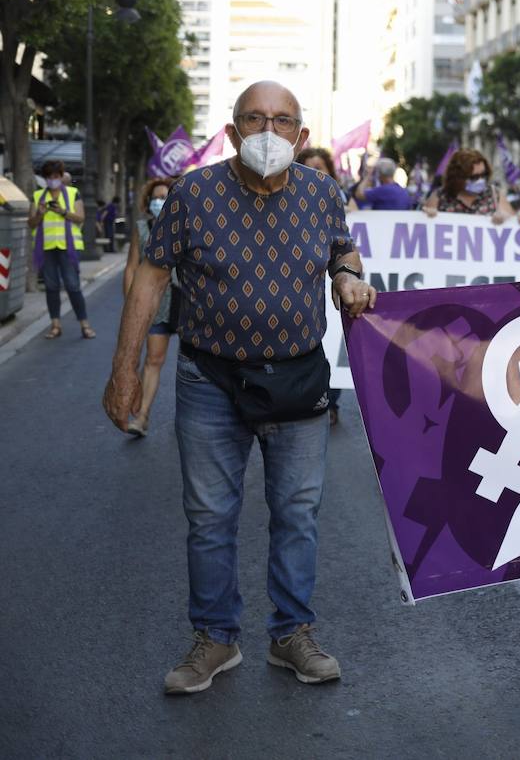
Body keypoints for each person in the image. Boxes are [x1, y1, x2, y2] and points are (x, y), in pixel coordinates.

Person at [102, 81, 377, 695]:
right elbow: (150, 280)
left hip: (298, 379)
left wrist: (350, 278)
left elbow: (342, 251)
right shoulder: (192, 194)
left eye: (282, 122)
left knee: (297, 515)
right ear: (231, 133)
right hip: (209, 381)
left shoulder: (322, 192)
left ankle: (290, 635)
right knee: (209, 517)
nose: (268, 133)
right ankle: (216, 638)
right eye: (254, 120)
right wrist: (123, 370)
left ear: (301, 137)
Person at [121, 177, 179, 437]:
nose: (160, 202)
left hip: (188, 302)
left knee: (196, 364)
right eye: (156, 197)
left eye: (165, 196)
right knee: (154, 359)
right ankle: (142, 415)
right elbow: (132, 266)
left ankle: (194, 419)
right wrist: (131, 305)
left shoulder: (187, 223)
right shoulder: (142, 228)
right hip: (157, 302)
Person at [296, 147, 345, 426]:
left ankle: (331, 400)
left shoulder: (341, 201)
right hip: (307, 286)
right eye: (308, 167)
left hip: (337, 282)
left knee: (335, 341)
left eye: (321, 167)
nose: (315, 173)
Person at [27, 159, 96, 340]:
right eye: (49, 177)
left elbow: (81, 217)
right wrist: (40, 214)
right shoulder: (38, 196)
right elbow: (31, 223)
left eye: (56, 176)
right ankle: (55, 325)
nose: (53, 180)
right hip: (47, 248)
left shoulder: (73, 193)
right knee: (51, 287)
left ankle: (85, 324)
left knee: (73, 286)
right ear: (46, 178)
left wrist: (63, 212)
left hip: (69, 248)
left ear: (61, 176)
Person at [422, 148, 520, 224]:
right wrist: (428, 217)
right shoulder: (440, 197)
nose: (480, 180)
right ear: (458, 177)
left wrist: (508, 219)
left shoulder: (494, 195)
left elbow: (513, 224)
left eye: (484, 174)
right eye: (474, 177)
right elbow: (422, 233)